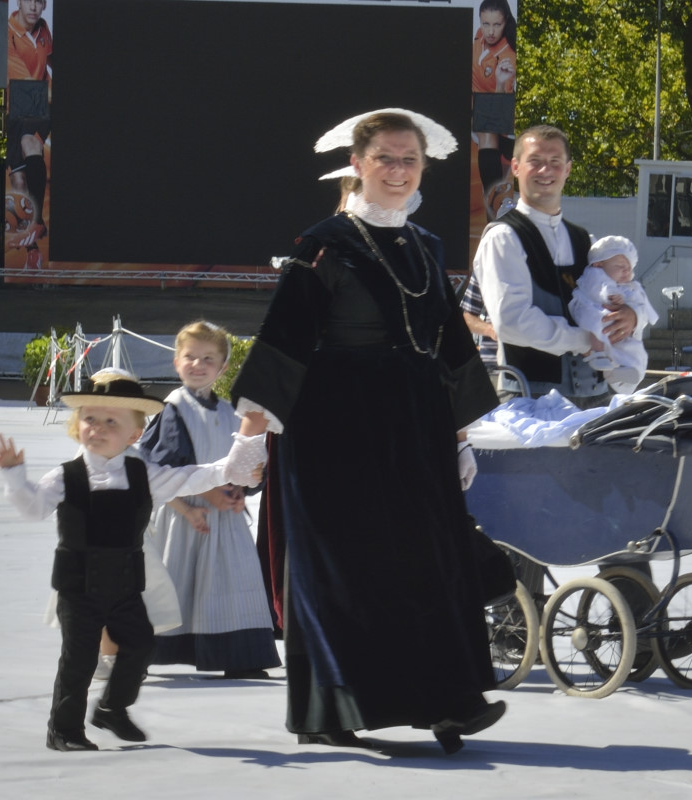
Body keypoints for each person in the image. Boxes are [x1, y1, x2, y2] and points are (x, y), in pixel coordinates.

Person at [230, 109, 505, 755]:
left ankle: (449, 700)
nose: (398, 170)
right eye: (385, 157)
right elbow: (285, 341)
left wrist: (460, 437)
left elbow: (446, 340)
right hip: (333, 431)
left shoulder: (427, 246)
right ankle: (331, 707)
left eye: (409, 159)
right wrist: (248, 438)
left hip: (413, 426)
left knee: (427, 562)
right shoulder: (323, 242)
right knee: (345, 572)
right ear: (358, 163)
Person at [0, 369, 265, 752]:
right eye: (89, 419)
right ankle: (64, 730)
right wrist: (15, 477)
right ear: (76, 425)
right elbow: (34, 508)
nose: (97, 428)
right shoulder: (66, 476)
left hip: (124, 584)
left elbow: (189, 478)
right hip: (79, 585)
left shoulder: (143, 473)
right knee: (79, 661)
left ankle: (112, 708)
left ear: (135, 434)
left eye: (110, 422)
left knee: (140, 646)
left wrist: (230, 469)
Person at [136, 321, 281, 679]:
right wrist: (202, 499)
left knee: (233, 581)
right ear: (176, 361)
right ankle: (152, 650)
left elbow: (246, 460)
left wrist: (242, 490)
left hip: (225, 516)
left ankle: (239, 656)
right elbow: (162, 467)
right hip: (186, 516)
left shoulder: (228, 411)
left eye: (208, 359)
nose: (197, 365)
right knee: (178, 580)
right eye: (190, 357)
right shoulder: (173, 408)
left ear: (223, 367)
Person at [472, 124, 639, 407]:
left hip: (596, 398)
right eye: (534, 162)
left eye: (554, 162)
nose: (545, 171)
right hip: (530, 402)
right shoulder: (503, 237)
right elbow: (511, 321)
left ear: (568, 169)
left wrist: (631, 316)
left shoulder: (585, 240)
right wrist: (583, 339)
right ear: (515, 166)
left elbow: (627, 291)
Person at [569, 235, 657, 394]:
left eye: (629, 267)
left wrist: (635, 315)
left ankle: (628, 371)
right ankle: (602, 359)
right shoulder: (595, 275)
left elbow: (640, 307)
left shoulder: (629, 285)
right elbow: (599, 291)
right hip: (599, 315)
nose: (626, 270)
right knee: (598, 329)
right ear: (598, 264)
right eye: (620, 265)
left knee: (636, 352)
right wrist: (612, 297)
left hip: (621, 328)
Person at [6, 0, 53, 271]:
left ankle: (38, 223)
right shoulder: (9, 35)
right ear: (19, 3)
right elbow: (27, 86)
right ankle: (32, 250)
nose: (34, 7)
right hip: (18, 109)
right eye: (29, 1)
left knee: (31, 142)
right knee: (18, 182)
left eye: (39, 1)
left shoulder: (44, 30)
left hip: (36, 111)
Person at [472, 0, 518, 222]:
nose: (490, 31)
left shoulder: (508, 56)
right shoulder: (479, 35)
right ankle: (495, 200)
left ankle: (498, 202)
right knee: (487, 134)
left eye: (496, 25)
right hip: (478, 106)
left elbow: (502, 105)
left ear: (505, 22)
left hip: (496, 108)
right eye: (486, 23)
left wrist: (500, 84)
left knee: (495, 140)